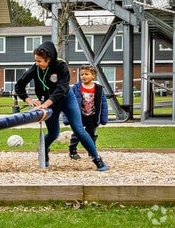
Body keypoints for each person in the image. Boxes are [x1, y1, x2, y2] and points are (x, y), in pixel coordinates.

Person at [14, 41, 109, 171]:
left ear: (49, 59)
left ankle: (96, 158)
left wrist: (45, 104)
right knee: (53, 133)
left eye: (40, 61)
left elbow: (62, 88)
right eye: (35, 61)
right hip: (50, 103)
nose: (37, 64)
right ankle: (43, 150)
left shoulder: (61, 66)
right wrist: (28, 99)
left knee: (79, 130)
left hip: (66, 99)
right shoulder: (35, 69)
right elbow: (19, 85)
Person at [63, 64, 108, 160]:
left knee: (91, 134)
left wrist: (103, 118)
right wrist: (67, 118)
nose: (83, 76)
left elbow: (103, 104)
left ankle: (92, 152)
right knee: (77, 133)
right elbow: (68, 102)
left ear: (93, 75)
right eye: (82, 74)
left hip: (92, 116)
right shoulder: (76, 88)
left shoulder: (99, 89)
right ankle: (72, 150)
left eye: (86, 74)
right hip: (78, 115)